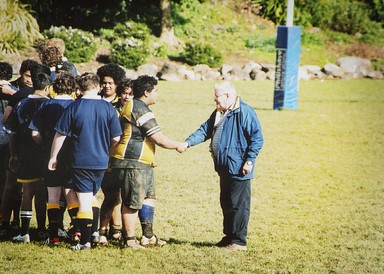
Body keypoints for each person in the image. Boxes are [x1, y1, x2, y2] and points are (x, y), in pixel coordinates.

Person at [178, 81, 264, 252]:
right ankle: (228, 237)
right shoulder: (219, 112)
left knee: (238, 205)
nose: (215, 101)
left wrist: (249, 161)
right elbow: (205, 130)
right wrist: (187, 143)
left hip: (239, 167)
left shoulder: (244, 111)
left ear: (229, 96)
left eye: (217, 98)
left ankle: (239, 242)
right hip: (224, 167)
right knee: (226, 203)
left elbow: (257, 138)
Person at [48, 72, 122, 250]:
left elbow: (60, 134)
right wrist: (105, 148)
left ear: (79, 89)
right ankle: (92, 234)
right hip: (101, 161)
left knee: (84, 199)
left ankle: (85, 241)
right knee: (90, 196)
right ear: (98, 87)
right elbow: (116, 138)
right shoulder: (108, 108)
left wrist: (53, 156)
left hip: (80, 160)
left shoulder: (75, 107)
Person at [110, 75, 183, 249]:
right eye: (155, 91)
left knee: (148, 198)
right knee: (132, 202)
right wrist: (178, 145)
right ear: (146, 92)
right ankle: (129, 240)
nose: (157, 94)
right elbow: (158, 138)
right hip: (132, 163)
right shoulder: (139, 108)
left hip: (143, 164)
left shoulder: (138, 106)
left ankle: (148, 237)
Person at [4, 71, 53, 243]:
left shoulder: (21, 104)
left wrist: (14, 153)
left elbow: (10, 130)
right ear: (47, 87)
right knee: (41, 194)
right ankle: (41, 230)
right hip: (45, 154)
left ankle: (24, 232)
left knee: (27, 193)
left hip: (25, 153)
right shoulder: (51, 105)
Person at [29, 73, 77, 246]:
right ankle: (77, 231)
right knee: (71, 193)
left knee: (53, 195)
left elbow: (34, 133)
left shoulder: (45, 104)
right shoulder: (77, 106)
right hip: (73, 156)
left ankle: (54, 235)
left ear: (54, 88)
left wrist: (45, 146)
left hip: (50, 156)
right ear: (74, 88)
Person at [0, 60, 40, 238]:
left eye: (33, 77)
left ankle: (21, 222)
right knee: (11, 186)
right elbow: (7, 122)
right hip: (13, 144)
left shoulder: (20, 93)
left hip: (27, 148)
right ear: (21, 73)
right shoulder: (15, 91)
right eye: (27, 76)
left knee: (29, 189)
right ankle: (5, 223)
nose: (30, 80)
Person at [96, 64, 126, 246]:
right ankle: (105, 229)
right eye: (104, 82)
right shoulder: (95, 100)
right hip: (98, 150)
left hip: (115, 153)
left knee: (116, 194)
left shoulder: (121, 104)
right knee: (110, 194)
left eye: (110, 83)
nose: (106, 86)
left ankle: (116, 228)